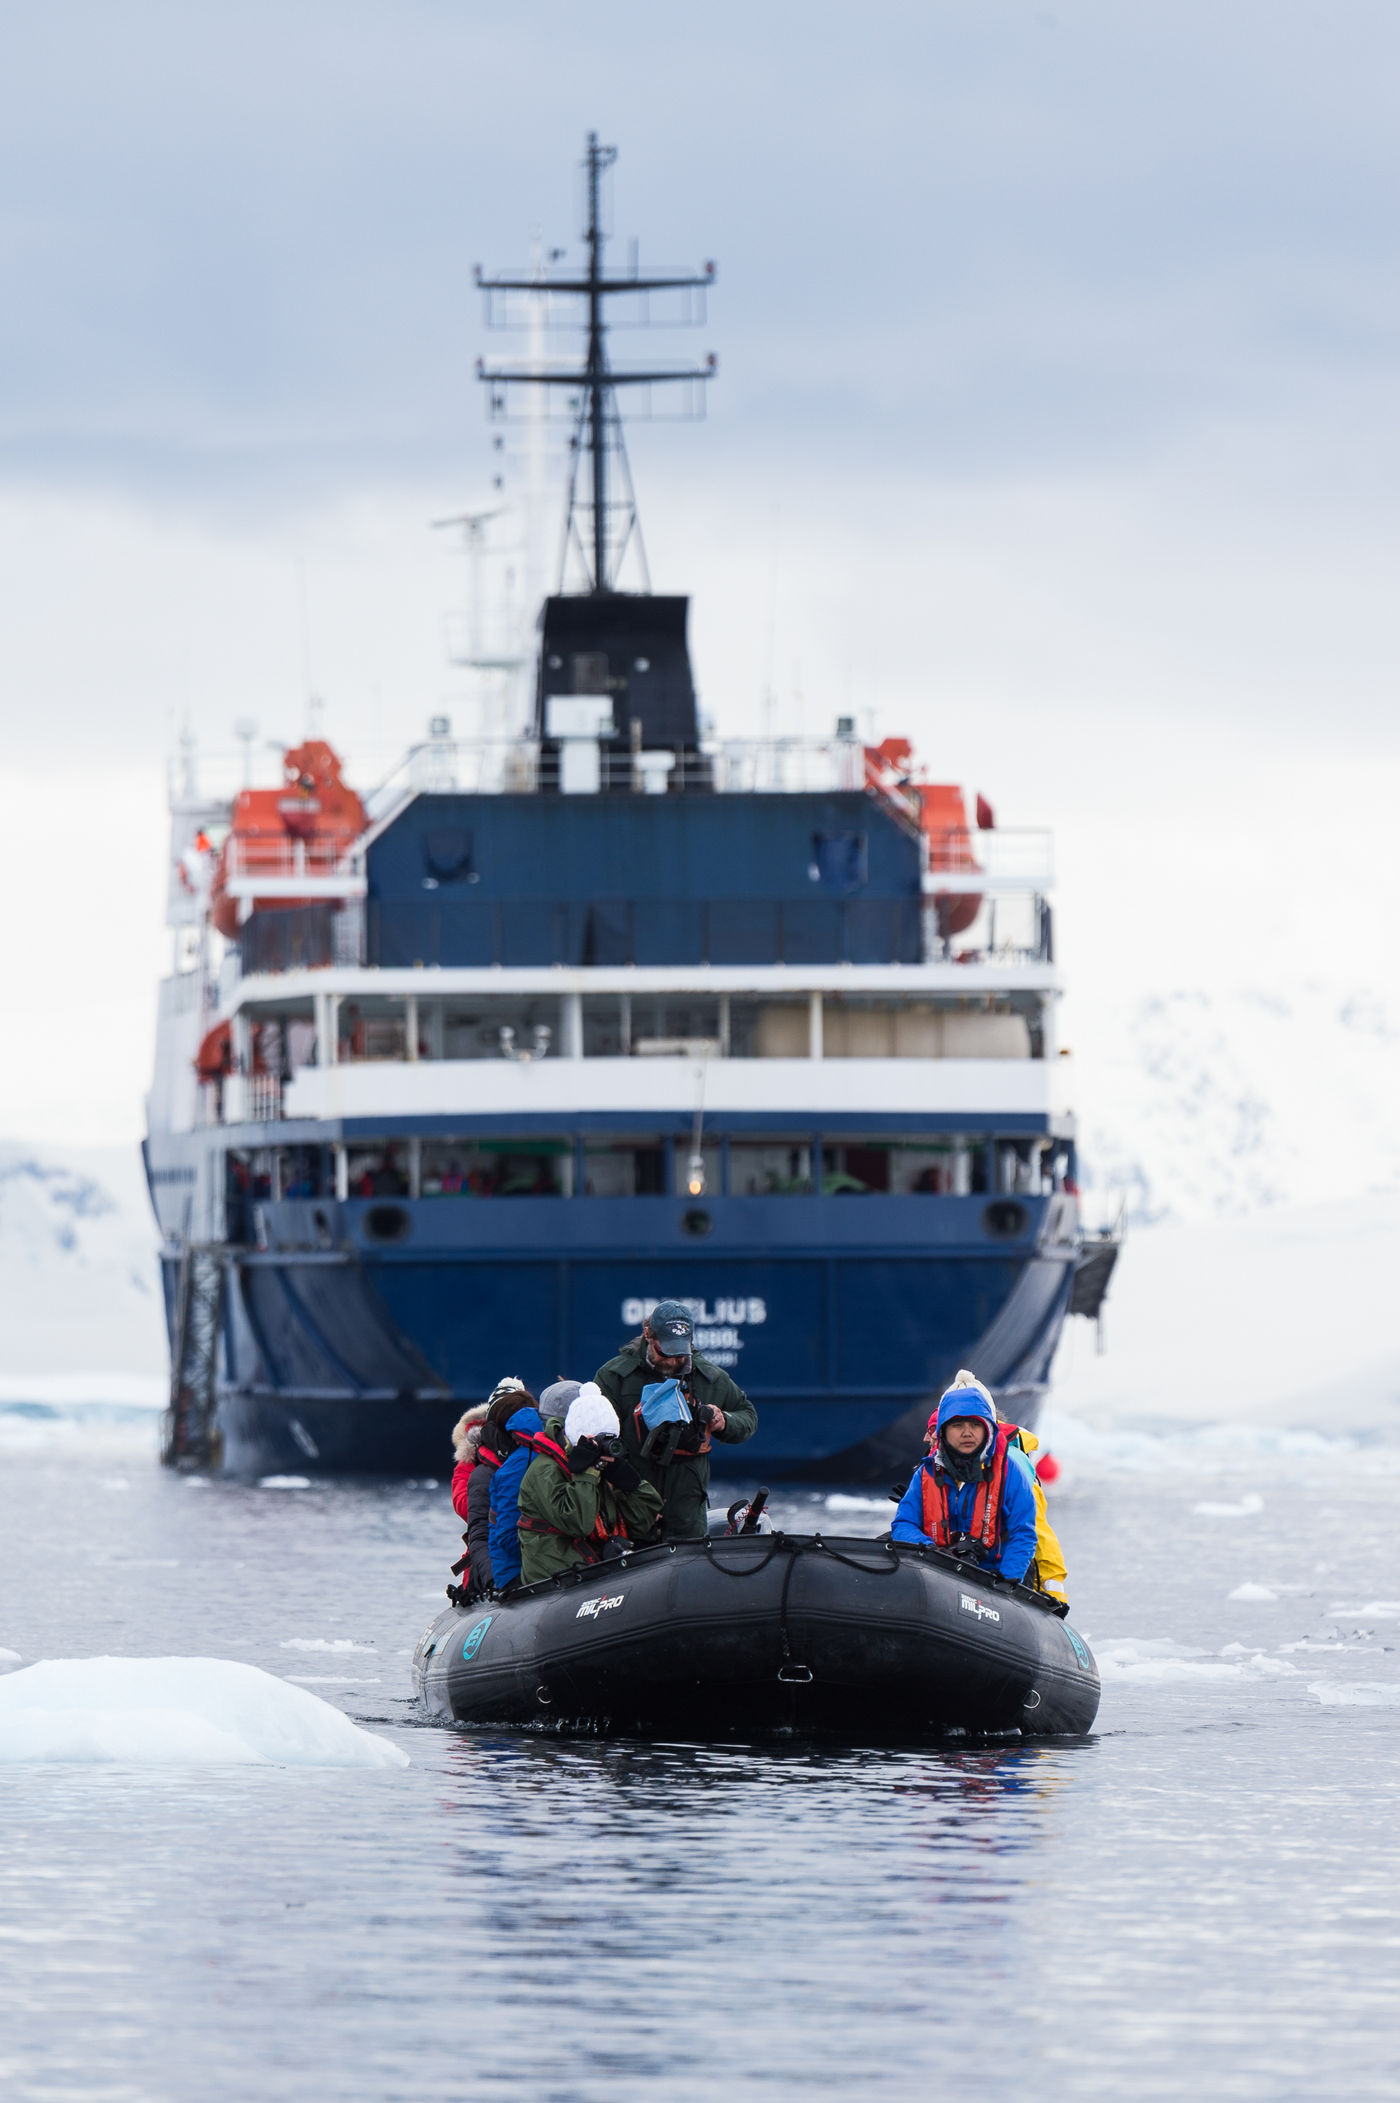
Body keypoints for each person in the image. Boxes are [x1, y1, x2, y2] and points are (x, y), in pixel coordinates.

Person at [594, 1300, 758, 1540]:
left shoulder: (708, 1378)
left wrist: (725, 1421)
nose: (671, 1362)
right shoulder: (615, 1377)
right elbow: (595, 1438)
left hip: (687, 1515)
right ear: (648, 1335)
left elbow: (748, 1415)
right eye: (664, 1352)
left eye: (680, 1354)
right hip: (631, 1512)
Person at [891, 1370, 1039, 1583]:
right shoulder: (927, 1473)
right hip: (936, 1570)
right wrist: (932, 1550)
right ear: (943, 1431)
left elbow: (1023, 1534)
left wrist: (1006, 1583)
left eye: (975, 1425)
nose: (967, 1432)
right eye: (957, 1425)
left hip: (992, 1576)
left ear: (988, 1429)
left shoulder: (1010, 1471)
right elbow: (903, 1524)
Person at [516, 1382, 663, 1583]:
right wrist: (586, 1474)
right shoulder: (545, 1471)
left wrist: (627, 1480)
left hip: (592, 1569)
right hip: (555, 1578)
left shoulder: (601, 1467)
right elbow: (579, 1524)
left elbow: (644, 1519)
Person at [485, 1386, 545, 1591]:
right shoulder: (516, 1468)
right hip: (517, 1573)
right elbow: (508, 1537)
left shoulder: (525, 1460)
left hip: (525, 1567)